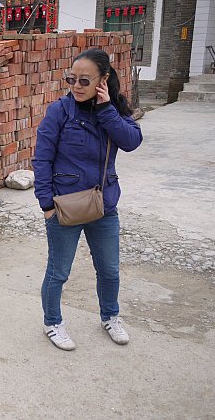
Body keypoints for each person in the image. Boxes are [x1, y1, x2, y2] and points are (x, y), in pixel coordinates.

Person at [33, 48, 143, 351]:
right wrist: (46, 204)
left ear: (103, 80)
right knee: (59, 271)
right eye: (72, 79)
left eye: (84, 81)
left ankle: (110, 316)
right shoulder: (59, 111)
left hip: (103, 205)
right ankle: (52, 323)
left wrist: (107, 109)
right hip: (64, 206)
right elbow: (41, 159)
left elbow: (131, 141)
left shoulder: (114, 111)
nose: (76, 87)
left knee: (109, 269)